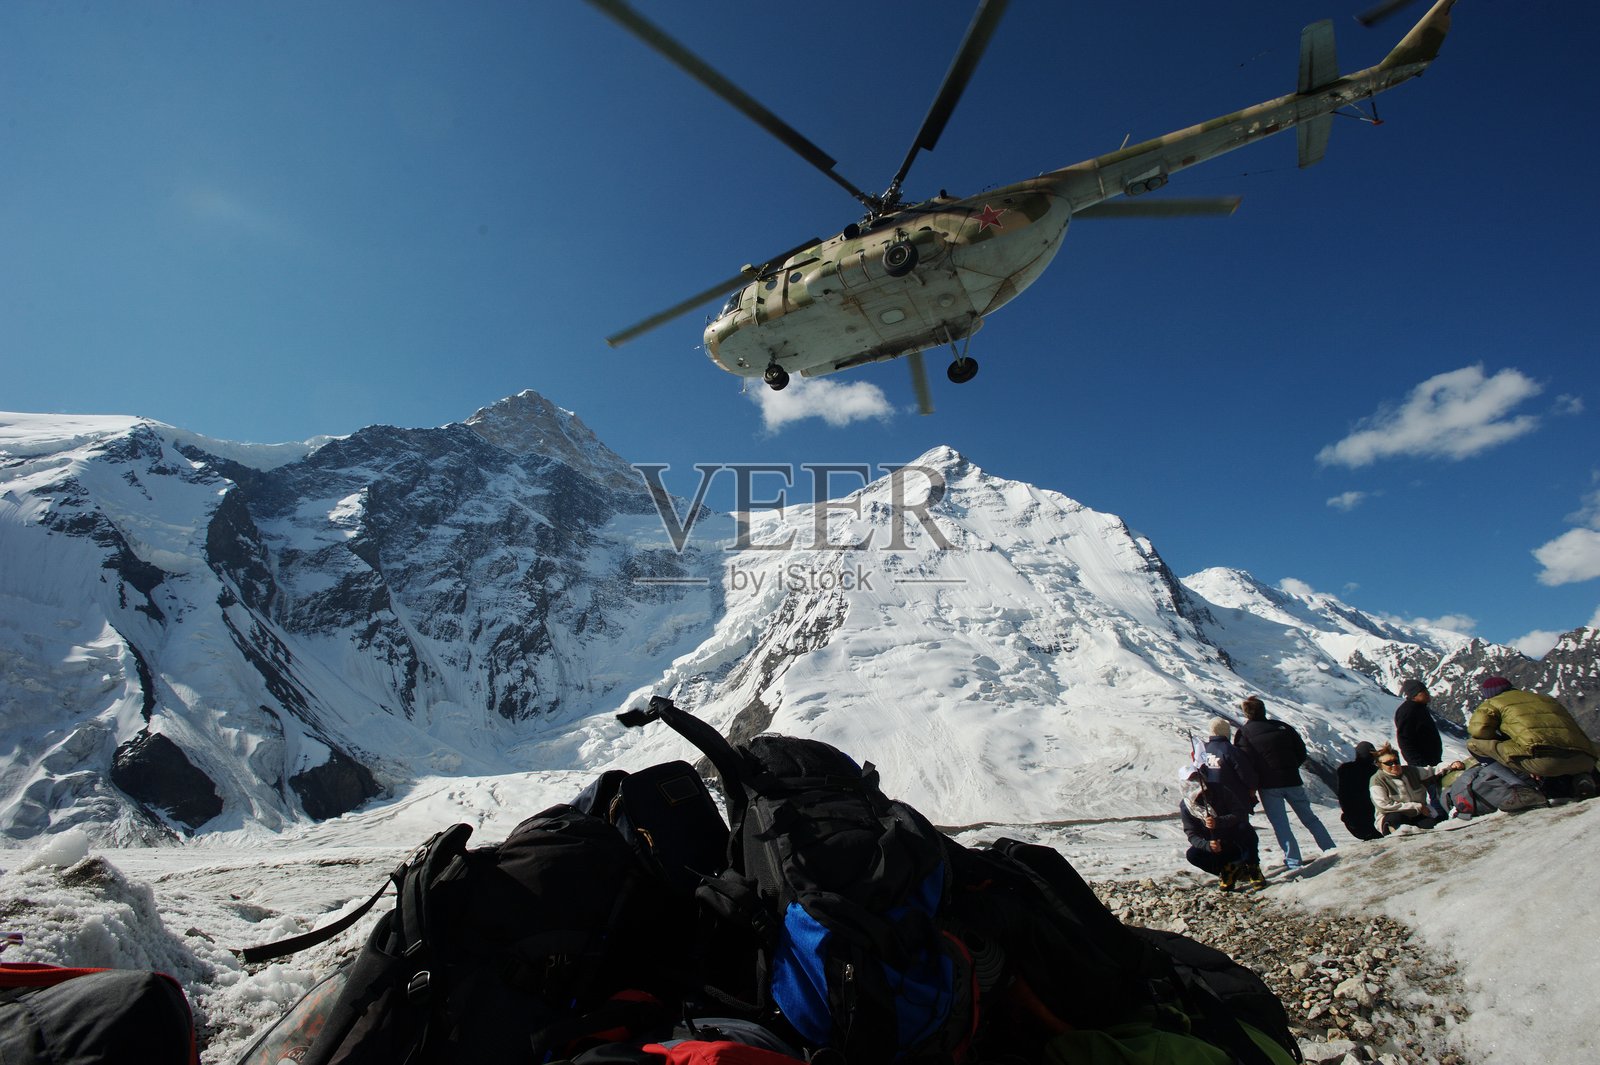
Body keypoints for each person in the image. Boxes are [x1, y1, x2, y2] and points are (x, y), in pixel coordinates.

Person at [1233, 695, 1337, 871]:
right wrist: (1290, 767)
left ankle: (1293, 861)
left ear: (1246, 713)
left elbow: (1245, 761)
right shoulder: (1283, 727)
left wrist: (1255, 781)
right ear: (1263, 710)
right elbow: (1301, 752)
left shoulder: (1244, 733)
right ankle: (1330, 848)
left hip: (1268, 785)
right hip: (1292, 779)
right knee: (1310, 818)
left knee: (1281, 824)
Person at [1467, 676, 1599, 799]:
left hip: (1545, 761)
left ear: (1489, 694)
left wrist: (1504, 740)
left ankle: (1523, 790)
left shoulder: (1493, 703)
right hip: (1586, 761)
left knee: (1474, 744)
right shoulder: (1545, 698)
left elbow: (1479, 731)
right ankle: (1581, 777)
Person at [1177, 765, 1263, 890]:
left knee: (1245, 828)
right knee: (1193, 855)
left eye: (1197, 777)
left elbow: (1240, 813)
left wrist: (1219, 822)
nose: (1195, 782)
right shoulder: (1186, 806)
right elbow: (1192, 834)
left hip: (1233, 836)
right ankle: (1227, 871)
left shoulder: (1220, 789)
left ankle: (1252, 867)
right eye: (1190, 779)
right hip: (1214, 843)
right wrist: (1207, 846)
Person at [1368, 742, 1463, 833]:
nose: (1394, 765)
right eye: (1388, 763)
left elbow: (1433, 771)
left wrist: (1452, 765)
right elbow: (1383, 806)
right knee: (1395, 820)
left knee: (1432, 828)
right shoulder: (1377, 781)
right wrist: (1417, 807)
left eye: (1396, 761)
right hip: (1393, 816)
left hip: (1419, 814)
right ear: (1380, 765)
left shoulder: (1411, 771)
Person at [1394, 678, 1446, 817]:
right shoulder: (1408, 711)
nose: (1428, 694)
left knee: (1438, 790)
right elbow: (1405, 740)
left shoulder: (1419, 708)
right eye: (1424, 692)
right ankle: (1441, 816)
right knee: (1434, 791)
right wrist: (1418, 763)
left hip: (1431, 759)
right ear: (1415, 694)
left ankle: (1442, 814)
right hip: (1423, 763)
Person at [1199, 716, 1258, 810]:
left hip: (1211, 798)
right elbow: (1245, 774)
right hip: (1235, 798)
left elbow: (1200, 771)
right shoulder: (1232, 751)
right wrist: (1252, 788)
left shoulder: (1203, 750)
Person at [1335, 741, 1383, 841]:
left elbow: (1343, 796)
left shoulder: (1345, 770)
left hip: (1355, 825)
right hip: (1377, 823)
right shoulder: (1377, 772)